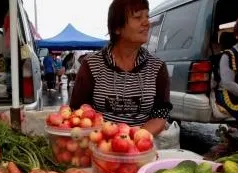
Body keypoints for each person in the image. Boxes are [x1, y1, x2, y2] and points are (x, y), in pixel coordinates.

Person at [69, 0, 172, 136]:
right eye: (137, 17)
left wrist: (132, 141)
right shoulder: (92, 65)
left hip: (141, 147)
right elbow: (78, 111)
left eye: (147, 16)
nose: (147, 23)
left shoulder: (157, 67)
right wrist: (107, 141)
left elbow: (160, 114)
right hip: (99, 144)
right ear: (117, 28)